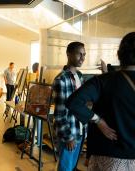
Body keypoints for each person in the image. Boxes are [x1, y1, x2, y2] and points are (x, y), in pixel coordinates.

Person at [66, 32, 135, 171]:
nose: (82, 58)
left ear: (119, 53)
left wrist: (98, 120)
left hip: (108, 157)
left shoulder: (103, 81)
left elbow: (74, 102)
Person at [52, 41, 86, 171]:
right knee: (65, 168)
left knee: (71, 167)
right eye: (79, 54)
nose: (82, 58)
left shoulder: (80, 76)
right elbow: (59, 114)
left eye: (84, 54)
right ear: (69, 54)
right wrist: (68, 137)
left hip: (80, 130)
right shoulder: (61, 79)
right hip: (69, 133)